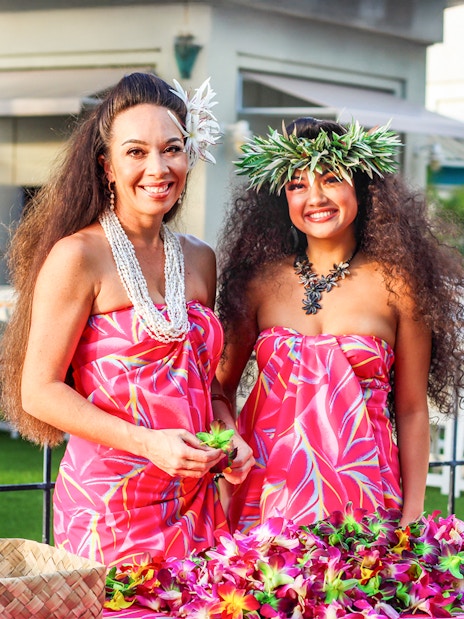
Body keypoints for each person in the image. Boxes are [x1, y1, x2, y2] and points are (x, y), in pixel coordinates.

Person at [0, 71, 254, 567]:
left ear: (189, 155)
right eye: (136, 152)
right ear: (107, 166)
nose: (158, 167)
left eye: (172, 148)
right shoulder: (78, 257)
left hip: (194, 499)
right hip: (111, 505)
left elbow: (205, 386)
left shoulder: (200, 259)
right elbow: (39, 390)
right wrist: (147, 443)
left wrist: (229, 436)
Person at [215, 117, 464, 533]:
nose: (315, 197)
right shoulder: (257, 283)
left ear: (362, 186)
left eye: (331, 179)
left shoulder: (399, 284)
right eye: (297, 185)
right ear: (281, 197)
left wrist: (414, 513)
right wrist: (228, 447)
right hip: (266, 498)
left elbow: (411, 408)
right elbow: (218, 389)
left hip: (365, 498)